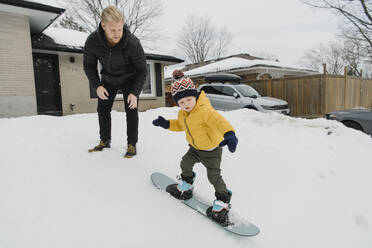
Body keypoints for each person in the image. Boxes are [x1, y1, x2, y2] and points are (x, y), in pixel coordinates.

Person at [152, 70, 238, 225]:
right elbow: (180, 125)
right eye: (181, 102)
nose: (185, 105)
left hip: (212, 150)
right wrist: (166, 124)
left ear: (196, 97)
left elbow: (219, 121)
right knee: (185, 163)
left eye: (189, 100)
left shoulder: (205, 110)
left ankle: (223, 200)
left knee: (214, 176)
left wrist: (229, 134)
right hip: (194, 148)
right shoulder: (183, 114)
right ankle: (186, 185)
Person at [83, 6, 147, 158]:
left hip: (129, 79)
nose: (117, 33)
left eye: (120, 29)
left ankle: (132, 143)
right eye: (113, 30)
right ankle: (105, 140)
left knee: (131, 109)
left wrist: (134, 92)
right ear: (103, 25)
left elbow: (142, 70)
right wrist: (97, 85)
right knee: (103, 109)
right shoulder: (93, 42)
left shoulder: (132, 43)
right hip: (108, 79)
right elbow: (88, 66)